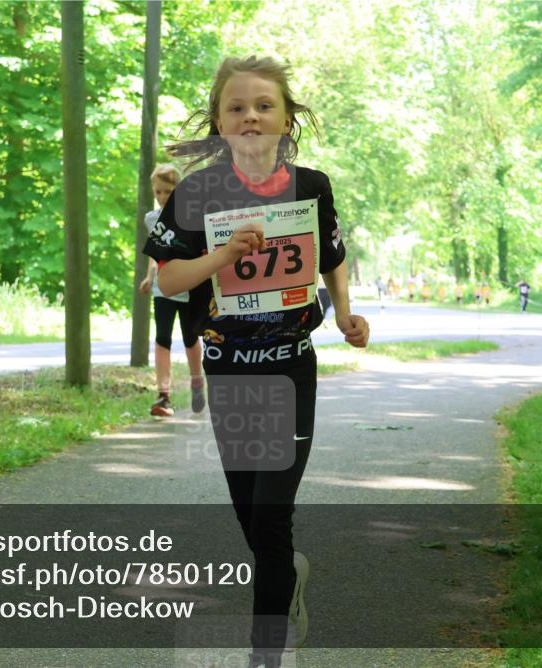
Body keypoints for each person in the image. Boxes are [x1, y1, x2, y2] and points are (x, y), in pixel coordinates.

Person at [144, 55, 369, 668]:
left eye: (263, 106)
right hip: (230, 371)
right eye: (236, 107)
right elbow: (167, 280)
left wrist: (345, 313)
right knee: (252, 520)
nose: (250, 116)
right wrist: (222, 258)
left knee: (271, 521)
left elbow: (332, 254)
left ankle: (264, 657)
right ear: (218, 122)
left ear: (286, 118)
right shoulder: (196, 192)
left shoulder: (312, 186)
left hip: (292, 368)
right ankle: (286, 578)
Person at [139, 164, 205, 416]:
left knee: (190, 338)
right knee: (162, 338)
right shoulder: (151, 219)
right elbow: (155, 254)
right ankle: (163, 396)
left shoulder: (192, 217)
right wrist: (149, 277)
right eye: (158, 192)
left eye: (168, 191)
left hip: (189, 289)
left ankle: (197, 381)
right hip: (162, 290)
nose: (163, 197)